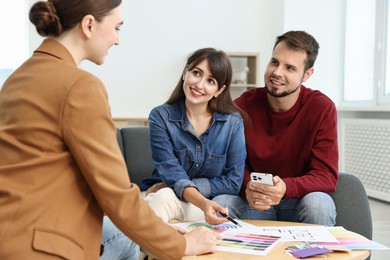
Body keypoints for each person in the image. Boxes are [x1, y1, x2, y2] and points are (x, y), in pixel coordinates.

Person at [0, 1, 221, 259]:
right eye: (116, 27)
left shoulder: (17, 79)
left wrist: (166, 234)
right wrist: (181, 245)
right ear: (89, 25)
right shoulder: (80, 87)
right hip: (43, 247)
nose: (117, 39)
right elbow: (116, 194)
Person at [213, 30, 338, 226]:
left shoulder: (322, 108)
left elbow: (326, 176)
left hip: (298, 201)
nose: (277, 72)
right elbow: (230, 164)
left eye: (289, 67)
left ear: (307, 74)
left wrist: (286, 187)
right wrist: (247, 186)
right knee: (222, 202)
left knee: (319, 204)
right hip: (255, 203)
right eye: (274, 62)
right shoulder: (241, 106)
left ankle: (317, 256)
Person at [139, 48, 247, 224]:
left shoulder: (233, 123)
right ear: (185, 73)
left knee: (220, 205)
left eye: (210, 81)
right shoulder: (161, 116)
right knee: (163, 197)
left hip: (208, 202)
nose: (199, 84)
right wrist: (196, 197)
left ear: (219, 90)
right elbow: (171, 171)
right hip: (169, 199)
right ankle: (144, 250)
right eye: (196, 73)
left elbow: (233, 182)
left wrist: (174, 185)